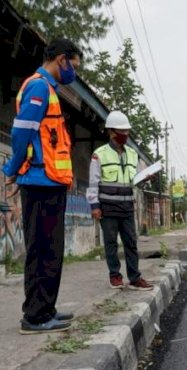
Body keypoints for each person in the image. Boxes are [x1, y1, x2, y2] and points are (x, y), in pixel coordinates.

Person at [2, 38, 82, 334]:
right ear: (61, 59)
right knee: (42, 250)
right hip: (39, 182)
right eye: (73, 66)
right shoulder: (38, 87)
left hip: (50, 182)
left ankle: (46, 308)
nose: (73, 72)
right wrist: (12, 171)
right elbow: (21, 134)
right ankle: (34, 316)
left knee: (51, 250)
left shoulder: (48, 90)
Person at [86, 111, 153, 291]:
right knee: (111, 243)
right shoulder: (99, 154)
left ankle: (135, 277)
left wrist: (145, 178)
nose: (126, 135)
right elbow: (93, 183)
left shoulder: (132, 154)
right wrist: (94, 206)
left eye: (127, 131)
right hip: (107, 208)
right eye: (122, 131)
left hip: (127, 207)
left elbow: (135, 180)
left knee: (131, 243)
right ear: (112, 132)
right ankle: (115, 276)